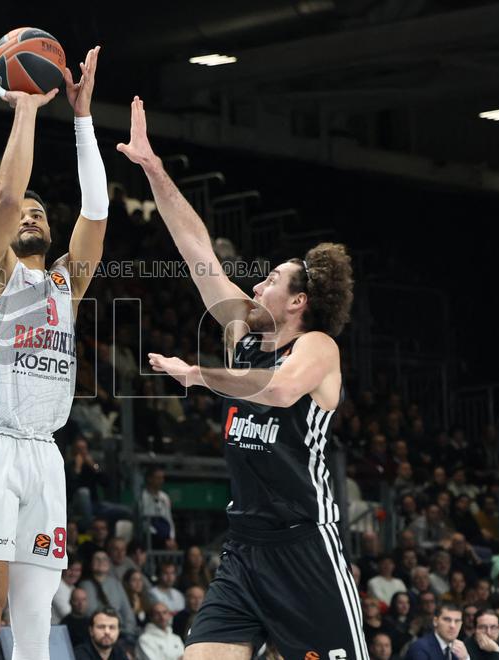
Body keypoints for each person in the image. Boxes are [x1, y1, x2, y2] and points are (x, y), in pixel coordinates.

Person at [119, 96, 363, 658]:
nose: (256, 285)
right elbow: (196, 248)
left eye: (271, 279)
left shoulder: (318, 348)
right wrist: (153, 169)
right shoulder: (244, 336)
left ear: (298, 300)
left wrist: (198, 375)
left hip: (305, 550)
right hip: (245, 552)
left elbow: (277, 392)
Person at [0, 45, 108, 660]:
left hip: (45, 454)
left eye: (42, 212)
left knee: (38, 621)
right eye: (24, 213)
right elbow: (6, 199)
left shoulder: (67, 284)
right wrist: (29, 108)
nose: (30, 215)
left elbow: (98, 209)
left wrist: (82, 117)